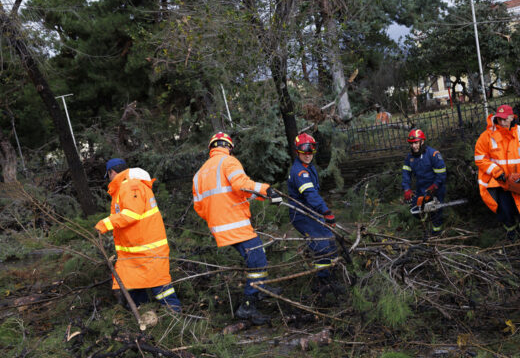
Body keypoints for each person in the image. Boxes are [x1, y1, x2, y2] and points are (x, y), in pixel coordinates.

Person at [192, 132, 281, 325]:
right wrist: (267, 191)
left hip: (219, 227)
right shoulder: (228, 162)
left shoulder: (199, 174)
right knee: (257, 260)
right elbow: (241, 185)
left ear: (211, 148)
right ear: (229, 147)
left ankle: (260, 289)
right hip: (235, 223)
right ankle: (248, 306)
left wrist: (217, 218)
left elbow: (198, 207)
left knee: (257, 256)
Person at [95, 158, 181, 312]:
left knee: (160, 286)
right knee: (133, 283)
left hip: (147, 249)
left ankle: (175, 316)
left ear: (112, 172)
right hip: (135, 250)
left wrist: (105, 223)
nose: (108, 179)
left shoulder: (130, 186)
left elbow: (132, 214)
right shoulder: (127, 186)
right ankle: (143, 313)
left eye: (108, 175)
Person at [286, 133, 343, 295]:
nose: (308, 155)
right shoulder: (299, 172)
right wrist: (326, 211)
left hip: (312, 212)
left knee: (330, 241)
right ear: (298, 152)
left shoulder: (308, 167)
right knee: (322, 245)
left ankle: (331, 274)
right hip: (302, 215)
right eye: (304, 152)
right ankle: (322, 282)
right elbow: (311, 195)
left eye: (310, 152)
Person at [474, 104, 520, 240]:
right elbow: (480, 159)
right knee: (506, 212)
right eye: (499, 119)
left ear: (512, 117)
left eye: (505, 119)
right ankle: (512, 238)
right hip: (501, 184)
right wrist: (499, 173)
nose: (502, 122)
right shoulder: (487, 136)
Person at [402, 128, 447, 240]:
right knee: (416, 210)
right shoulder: (409, 158)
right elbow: (406, 174)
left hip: (436, 188)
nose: (413, 146)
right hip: (421, 188)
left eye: (416, 143)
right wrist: (407, 189)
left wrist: (435, 186)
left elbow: (441, 174)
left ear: (422, 142)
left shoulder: (433, 155)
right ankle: (425, 227)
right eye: (411, 144)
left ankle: (437, 233)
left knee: (435, 212)